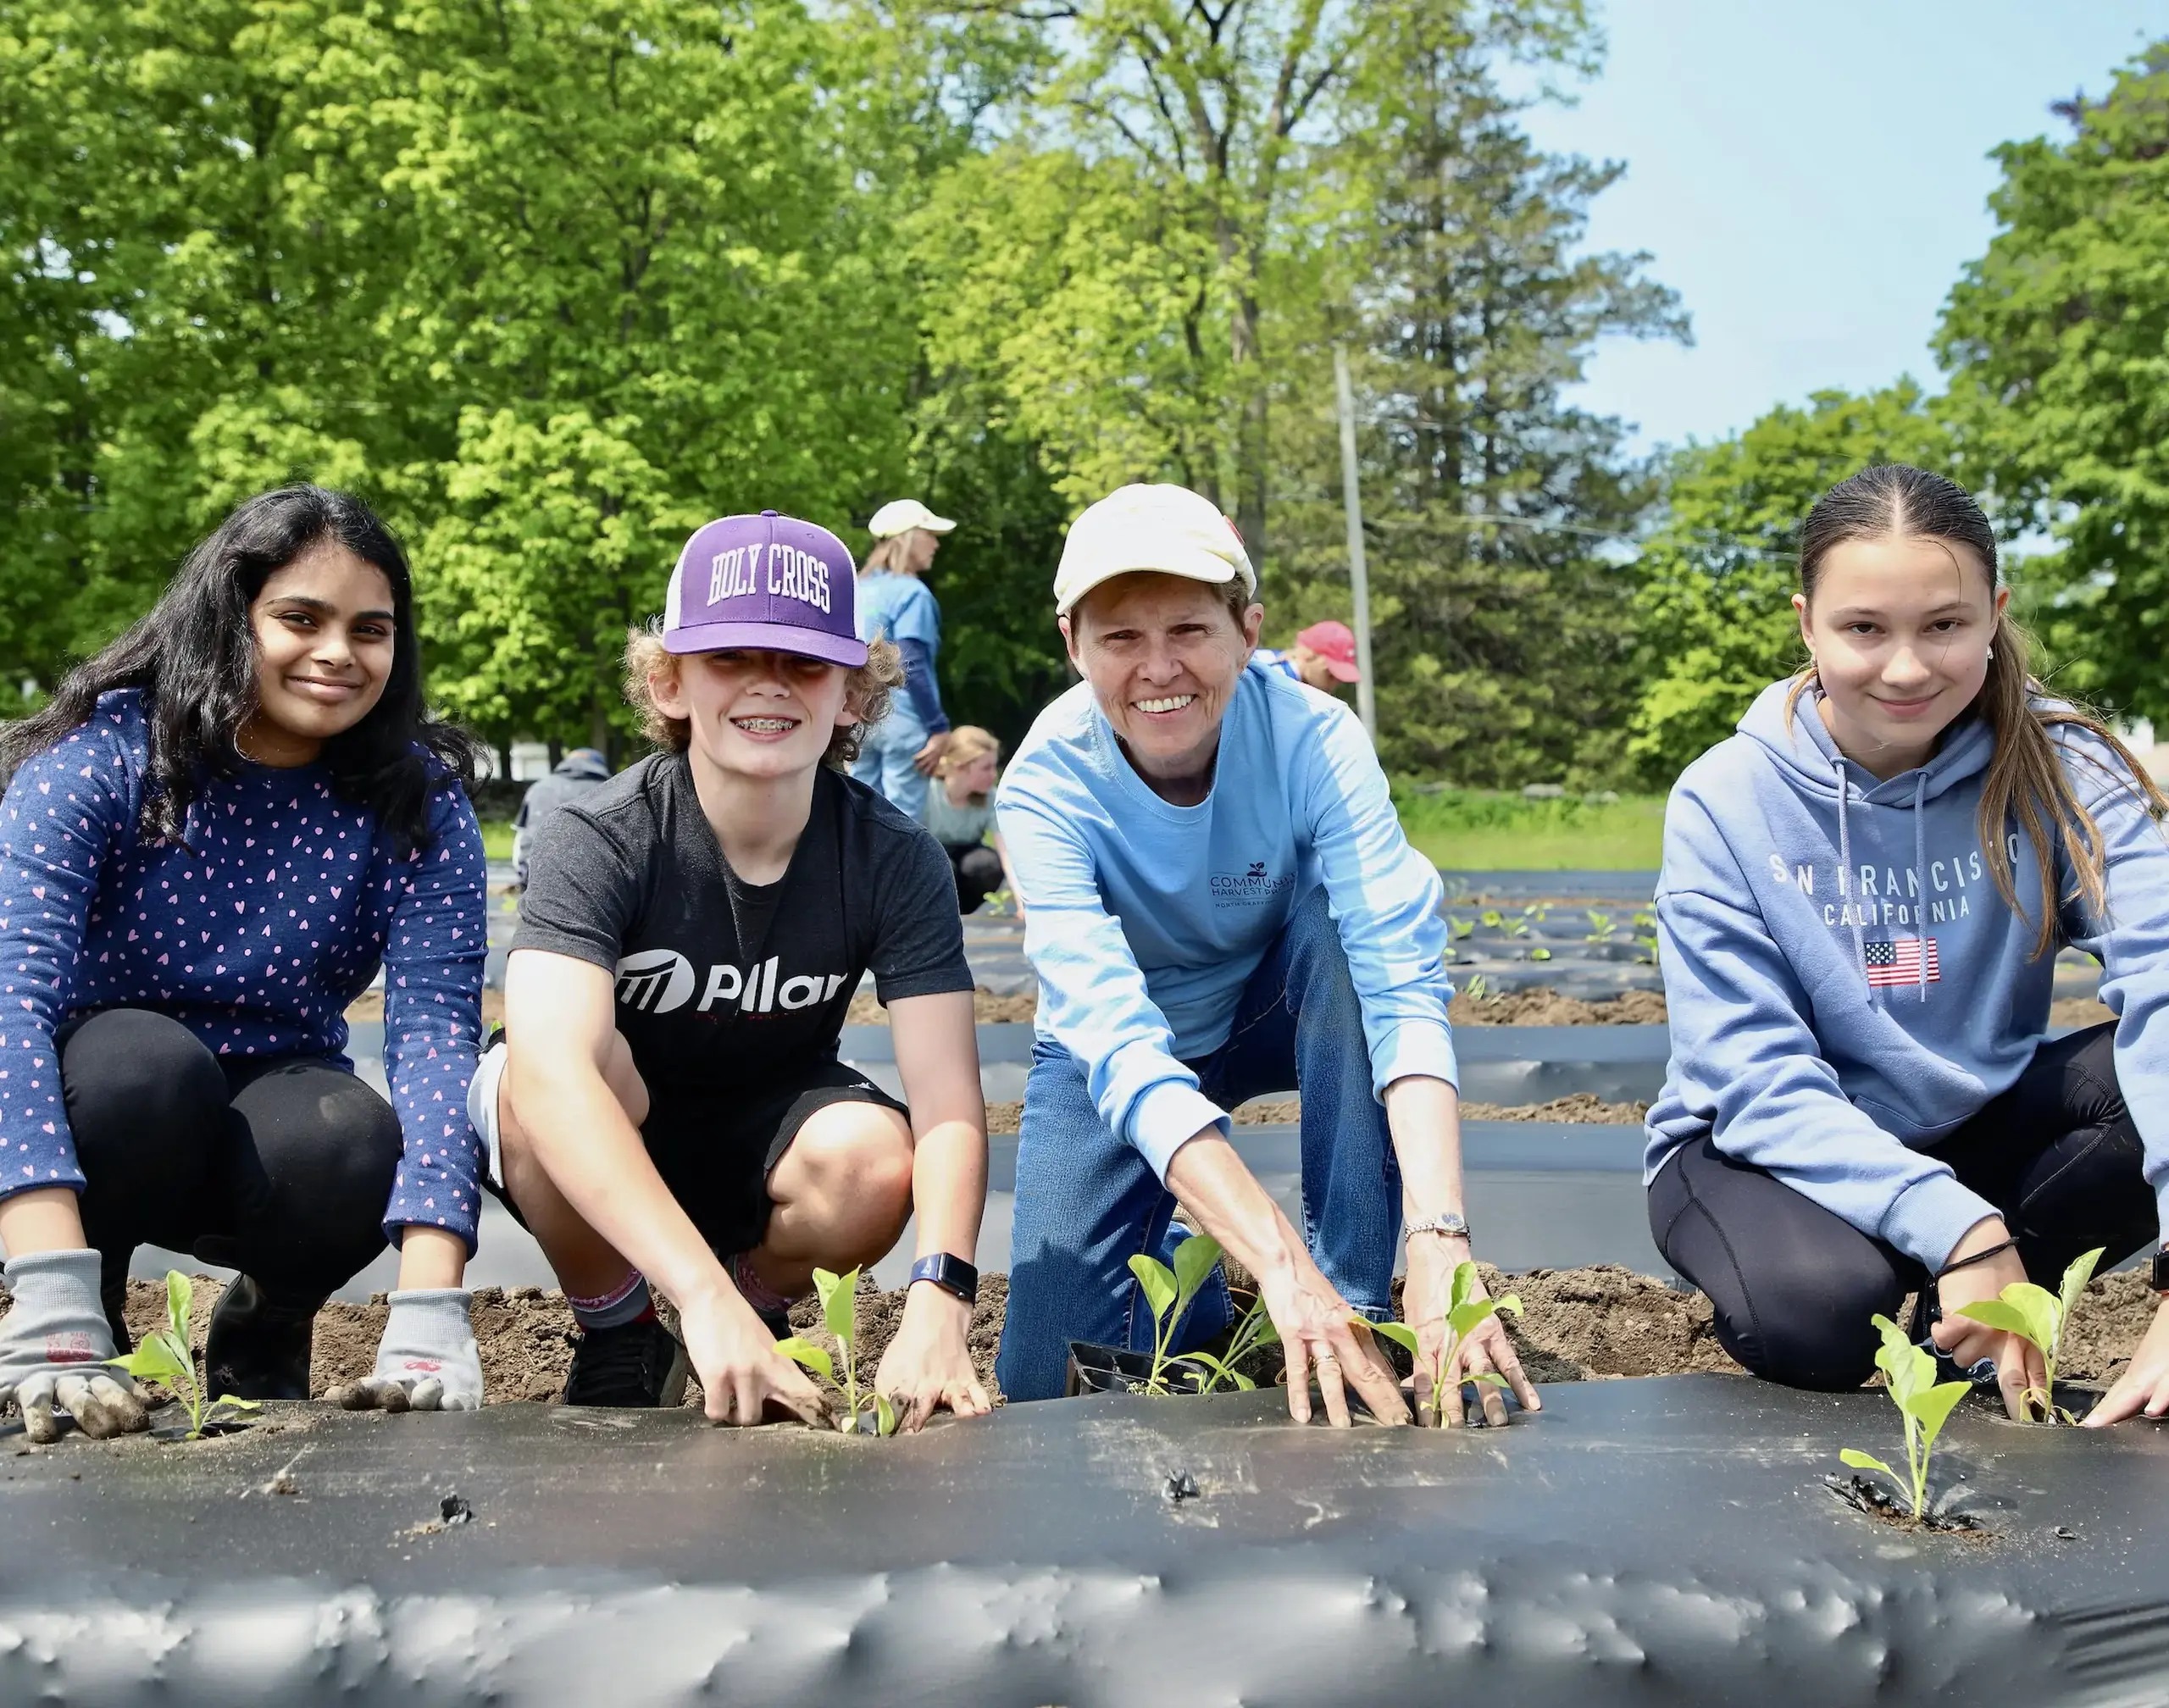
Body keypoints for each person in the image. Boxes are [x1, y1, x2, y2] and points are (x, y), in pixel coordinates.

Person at [993, 483, 1536, 1426]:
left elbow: (1398, 982)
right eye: (1120, 637)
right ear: (1071, 644)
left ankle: (1358, 1307)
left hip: (1269, 1004)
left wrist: (1442, 1245)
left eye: (1190, 630)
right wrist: (1274, 1263)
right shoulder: (1045, 785)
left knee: (1341, 938)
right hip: (1121, 1045)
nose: (1158, 668)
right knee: (1044, 1377)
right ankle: (1208, 1269)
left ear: (1247, 630)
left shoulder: (1316, 740)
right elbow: (1115, 1045)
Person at [1644, 463, 2169, 1428]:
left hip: (1975, 1123)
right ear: (1806, 623)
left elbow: (2165, 977)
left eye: (1944, 625)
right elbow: (1753, 1077)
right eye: (1862, 629)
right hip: (1765, 1146)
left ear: (1994, 613)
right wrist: (1959, 1225)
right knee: (1822, 1321)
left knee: (2134, 1109)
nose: (1905, 667)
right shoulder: (1726, 799)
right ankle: (1941, 1266)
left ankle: (1968, 1309)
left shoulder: (2063, 765)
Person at [471, 509, 991, 1430]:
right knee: (525, 1081)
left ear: (854, 698)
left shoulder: (892, 856)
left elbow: (949, 1103)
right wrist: (690, 1295)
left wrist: (941, 1295)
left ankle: (756, 1306)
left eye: (803, 663)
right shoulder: (600, 836)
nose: (768, 687)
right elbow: (553, 1075)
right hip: (609, 1127)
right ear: (669, 682)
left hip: (767, 1128)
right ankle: (624, 1328)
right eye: (730, 659)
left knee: (877, 1160)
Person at [0, 485, 490, 1443]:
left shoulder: (416, 801)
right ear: (230, 618)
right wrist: (45, 1283)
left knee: (352, 1143)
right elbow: (11, 1000)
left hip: (268, 1101)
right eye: (299, 618)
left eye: (371, 629)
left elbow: (436, 1039)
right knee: (143, 1067)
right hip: (93, 1110)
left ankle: (267, 1329)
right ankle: (75, 1315)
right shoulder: (102, 760)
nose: (338, 652)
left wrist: (433, 1303)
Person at [851, 499, 956, 820]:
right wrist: (939, 727)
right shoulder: (913, 593)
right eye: (929, 534)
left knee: (855, 819)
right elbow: (911, 662)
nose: (936, 544)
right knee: (901, 827)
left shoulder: (856, 588)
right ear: (908, 536)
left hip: (856, 717)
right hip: (904, 722)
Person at [925, 726, 1021, 917]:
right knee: (938, 865)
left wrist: (1022, 902)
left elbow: (1007, 854)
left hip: (968, 857)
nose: (994, 775)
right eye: (986, 768)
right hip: (933, 855)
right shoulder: (927, 793)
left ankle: (965, 915)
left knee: (986, 865)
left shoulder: (990, 798)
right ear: (960, 766)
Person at [511, 747, 610, 890]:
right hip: (597, 886)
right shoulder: (611, 790)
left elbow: (521, 839)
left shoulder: (539, 788)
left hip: (538, 880)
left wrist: (524, 877)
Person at [1256, 619, 1362, 696]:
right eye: (1330, 675)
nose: (1332, 686)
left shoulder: (1267, 658)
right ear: (1309, 654)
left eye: (1339, 680)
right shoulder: (1282, 685)